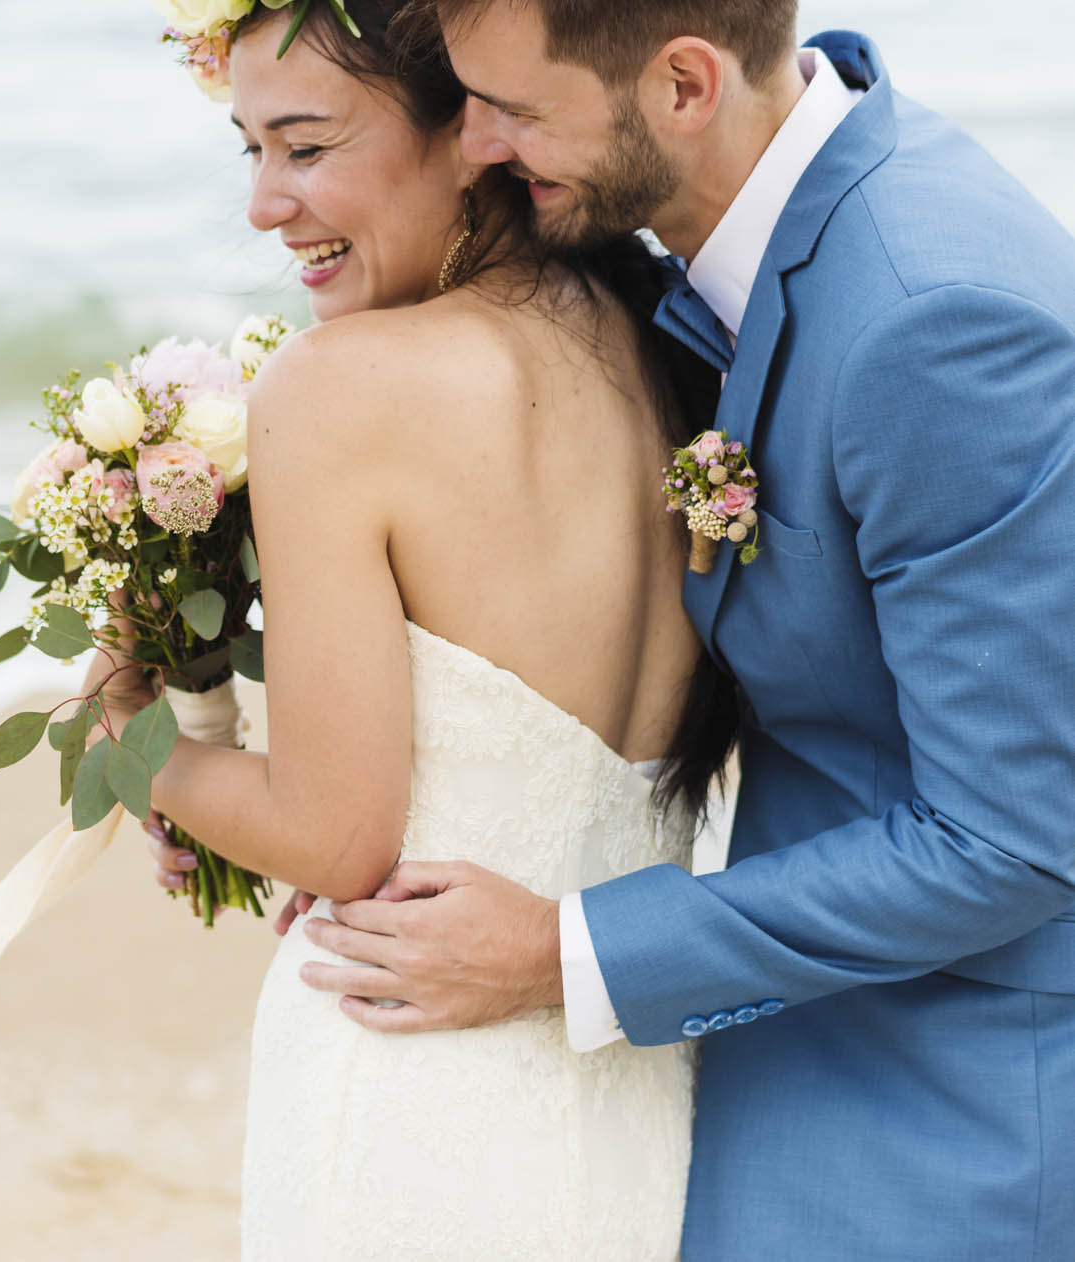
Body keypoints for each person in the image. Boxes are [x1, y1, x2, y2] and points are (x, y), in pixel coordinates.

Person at [279, 2, 1075, 1257]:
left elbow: (1016, 835)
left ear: (685, 86)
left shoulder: (936, 323)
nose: (475, 146)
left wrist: (560, 950)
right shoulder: (719, 248)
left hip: (944, 1108)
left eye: (517, 110)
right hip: (758, 1042)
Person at [89, 1, 731, 1254]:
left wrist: (123, 732)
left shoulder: (340, 389)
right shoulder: (669, 353)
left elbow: (331, 834)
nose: (267, 204)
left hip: (407, 1084)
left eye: (308, 145)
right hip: (629, 1090)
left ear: (475, 132)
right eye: (250, 151)